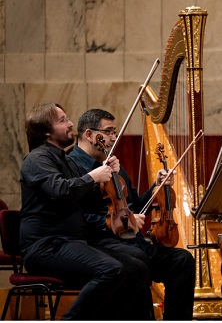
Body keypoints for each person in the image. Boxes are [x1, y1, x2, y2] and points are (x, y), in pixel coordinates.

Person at [19, 102, 146, 319]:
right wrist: (95, 175)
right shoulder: (36, 159)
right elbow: (60, 190)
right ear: (46, 131)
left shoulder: (63, 160)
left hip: (72, 243)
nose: (70, 124)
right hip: (47, 246)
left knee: (136, 268)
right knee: (111, 270)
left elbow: (85, 193)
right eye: (63, 121)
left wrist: (109, 175)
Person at [67, 108, 196, 320]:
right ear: (89, 134)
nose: (113, 138)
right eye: (108, 132)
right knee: (138, 262)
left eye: (114, 132)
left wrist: (157, 186)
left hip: (132, 242)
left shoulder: (111, 164)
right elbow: (77, 217)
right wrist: (119, 222)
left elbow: (135, 205)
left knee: (182, 260)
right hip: (100, 244)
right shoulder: (72, 167)